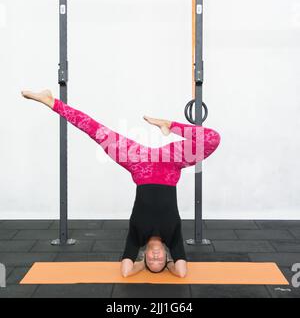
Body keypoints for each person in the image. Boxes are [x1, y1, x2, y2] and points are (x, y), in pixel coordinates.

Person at [21, 89, 221, 278]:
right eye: (160, 261)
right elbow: (182, 271)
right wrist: (170, 265)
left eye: (152, 261)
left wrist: (140, 264)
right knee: (212, 138)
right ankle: (169, 124)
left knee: (96, 131)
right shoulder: (173, 237)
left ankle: (50, 101)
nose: (156, 258)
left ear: (145, 255)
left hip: (139, 163)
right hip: (170, 164)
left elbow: (125, 271)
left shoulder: (137, 236)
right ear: (167, 256)